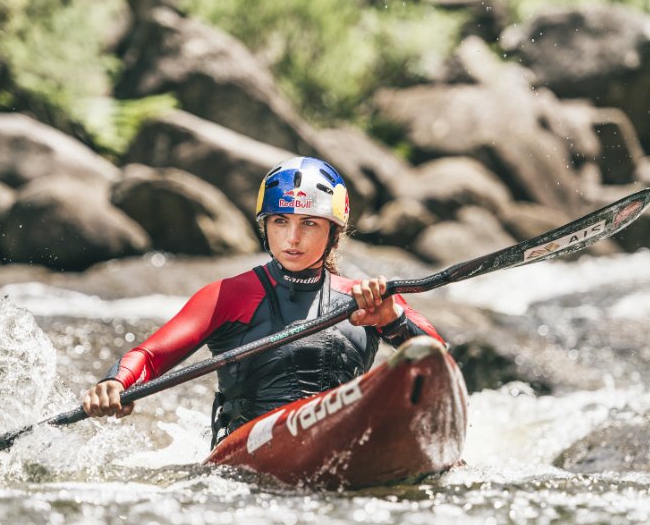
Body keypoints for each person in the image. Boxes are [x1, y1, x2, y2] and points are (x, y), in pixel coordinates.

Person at [83, 156, 445, 447]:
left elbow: (438, 361)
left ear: (334, 232)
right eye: (280, 221)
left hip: (347, 442)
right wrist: (117, 383)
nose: (292, 238)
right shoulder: (229, 296)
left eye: (309, 224)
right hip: (247, 458)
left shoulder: (366, 298)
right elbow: (148, 356)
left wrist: (392, 318)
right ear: (265, 226)